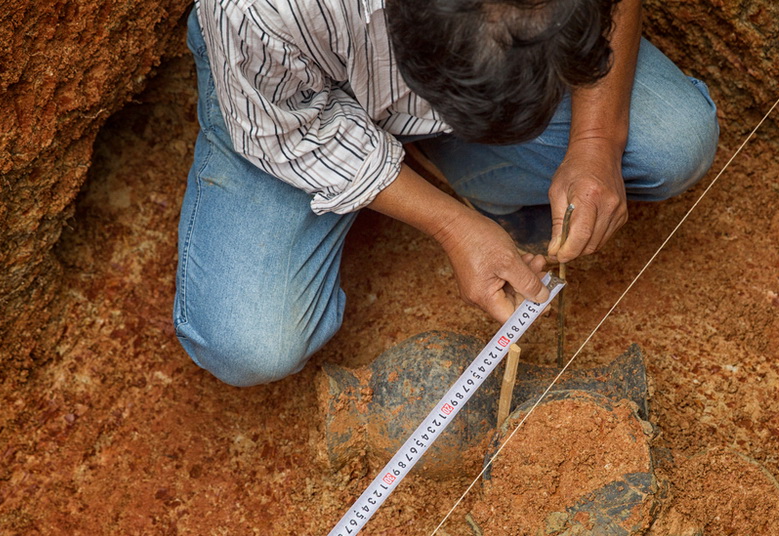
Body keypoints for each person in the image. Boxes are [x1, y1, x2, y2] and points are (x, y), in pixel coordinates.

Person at [175, 0, 718, 387]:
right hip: (284, 101)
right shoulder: (258, 12)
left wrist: (596, 142)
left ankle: (442, 159)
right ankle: (416, 168)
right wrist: (451, 224)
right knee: (251, 345)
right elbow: (292, 130)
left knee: (673, 144)